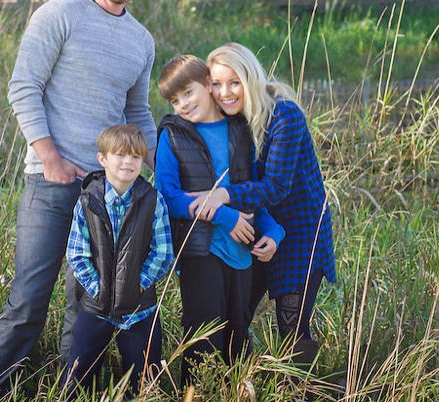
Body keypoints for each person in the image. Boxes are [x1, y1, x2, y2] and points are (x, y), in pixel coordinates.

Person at [0, 0, 157, 400]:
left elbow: (136, 113)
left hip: (104, 193)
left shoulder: (141, 40)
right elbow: (23, 87)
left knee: (87, 306)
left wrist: (155, 168)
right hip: (50, 183)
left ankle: (70, 394)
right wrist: (51, 158)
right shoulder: (59, 13)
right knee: (28, 300)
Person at [189, 42, 336, 367]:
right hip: (257, 226)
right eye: (216, 84)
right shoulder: (229, 119)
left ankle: (304, 391)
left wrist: (223, 197)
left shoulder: (284, 115)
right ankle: (237, 381)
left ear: (250, 78)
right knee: (235, 314)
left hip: (299, 233)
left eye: (234, 82)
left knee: (292, 327)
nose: (225, 92)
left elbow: (277, 187)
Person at [154, 54, 285, 385]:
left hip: (242, 252)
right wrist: (224, 215)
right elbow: (168, 196)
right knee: (202, 337)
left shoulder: (240, 130)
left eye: (188, 92)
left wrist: (271, 231)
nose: (182, 104)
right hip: (200, 251)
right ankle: (192, 393)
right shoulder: (172, 135)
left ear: (208, 84)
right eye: (174, 99)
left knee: (238, 335)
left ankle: (237, 391)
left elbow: (253, 192)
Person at [63, 124, 174, 398]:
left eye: (136, 157)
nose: (129, 162)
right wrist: (99, 288)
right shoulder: (88, 201)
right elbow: (77, 252)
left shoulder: (152, 200)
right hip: (95, 306)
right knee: (79, 375)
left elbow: (163, 252)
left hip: (140, 309)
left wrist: (137, 286)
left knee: (145, 378)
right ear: (103, 159)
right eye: (121, 155)